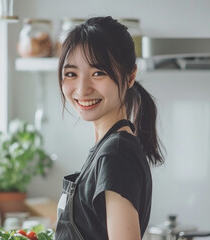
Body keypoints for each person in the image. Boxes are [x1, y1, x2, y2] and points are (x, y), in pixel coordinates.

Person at [55, 16, 164, 240]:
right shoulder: (108, 147)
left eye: (98, 73)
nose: (82, 89)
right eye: (71, 74)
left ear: (130, 75)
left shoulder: (115, 153)